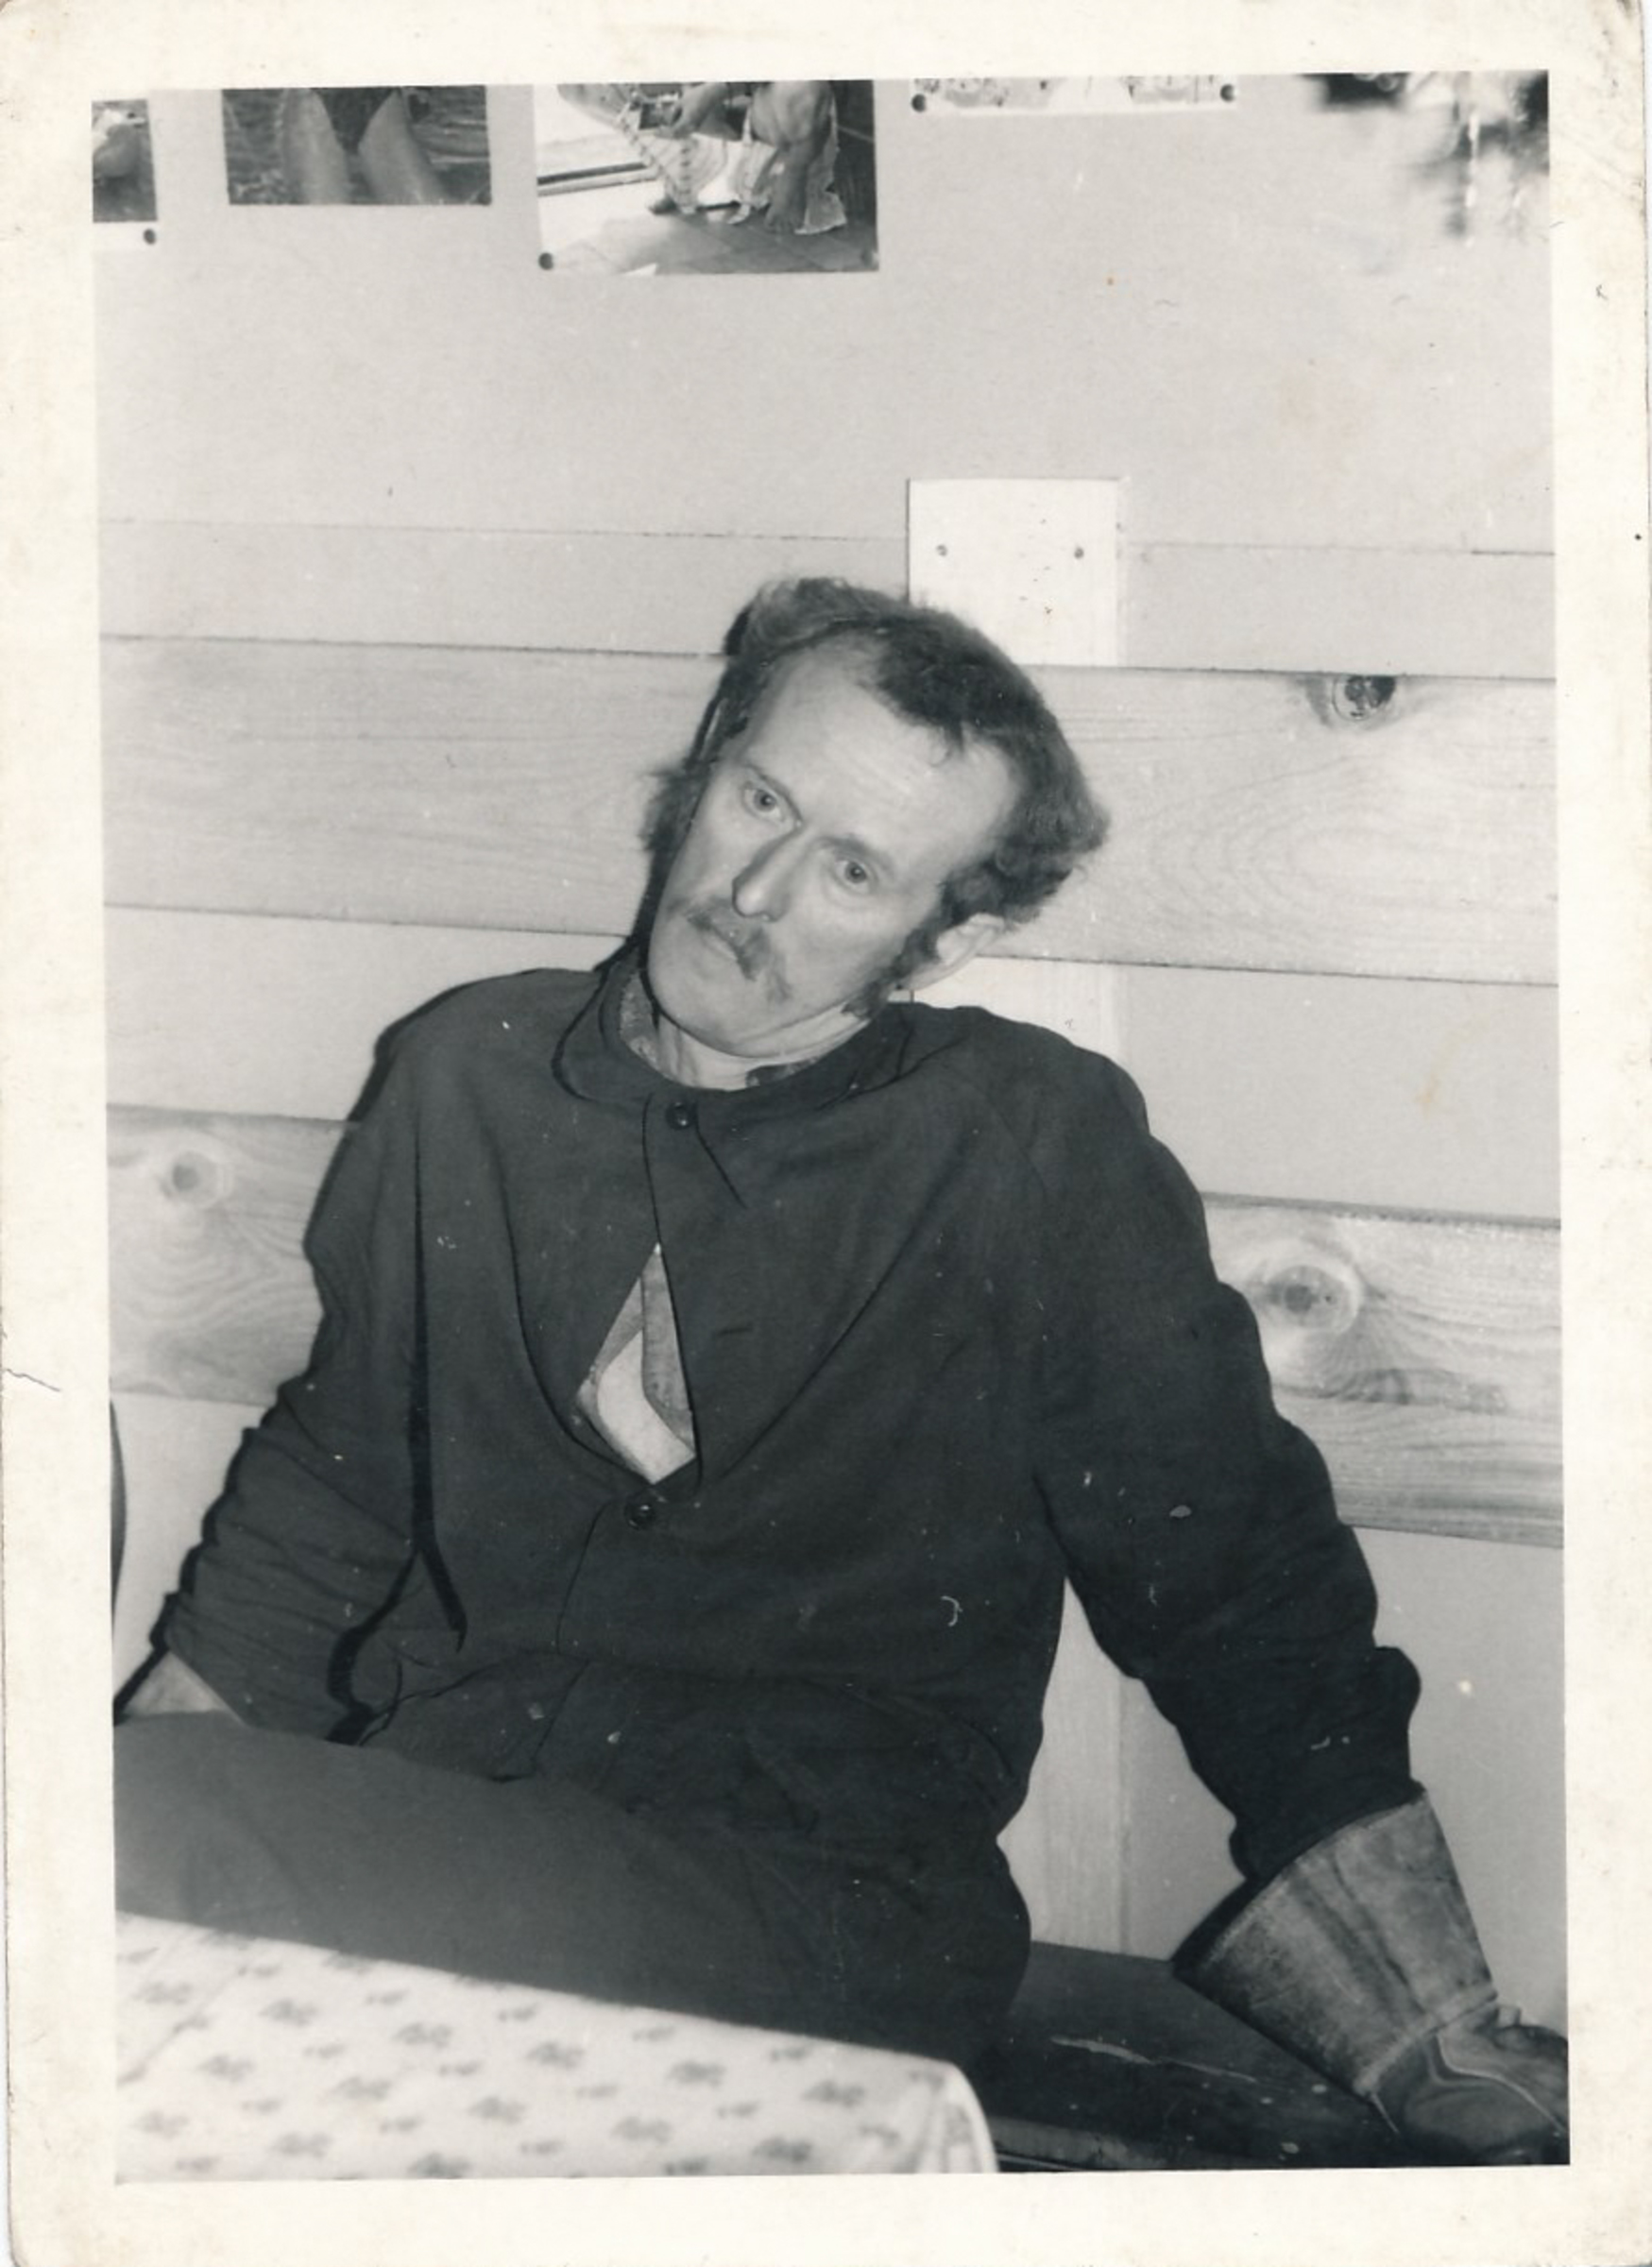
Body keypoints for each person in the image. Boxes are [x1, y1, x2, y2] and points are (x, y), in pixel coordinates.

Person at [115, 579, 1566, 2163]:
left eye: (855, 870)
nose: (754, 893)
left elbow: (1229, 1576)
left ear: (951, 938)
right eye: (759, 802)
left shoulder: (1026, 1144)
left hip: (820, 1910)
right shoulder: (465, 1070)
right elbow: (341, 1474)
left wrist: (1427, 2022)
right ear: (703, 771)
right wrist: (143, 1769)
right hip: (455, 1828)